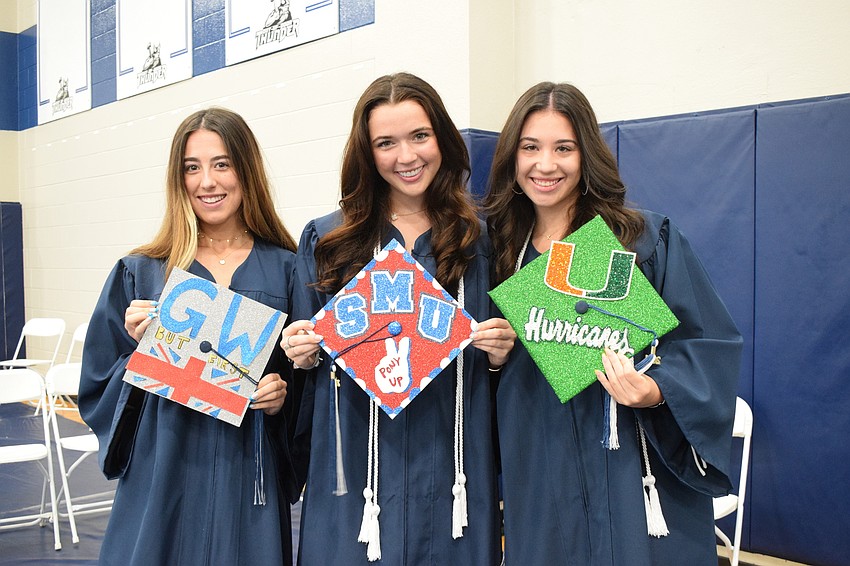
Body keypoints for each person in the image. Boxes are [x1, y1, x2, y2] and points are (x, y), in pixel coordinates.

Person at [485, 82, 743, 565]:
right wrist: (496, 358)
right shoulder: (497, 253)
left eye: (564, 148)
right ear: (511, 158)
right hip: (540, 466)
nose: (546, 165)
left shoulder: (640, 241)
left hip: (631, 459)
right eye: (530, 148)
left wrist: (655, 389)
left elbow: (706, 340)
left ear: (587, 156)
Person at [281, 72, 516, 565]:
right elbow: (298, 371)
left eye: (419, 137)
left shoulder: (481, 238)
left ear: (442, 139)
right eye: (386, 143)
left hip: (454, 463)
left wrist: (499, 357)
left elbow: (511, 371)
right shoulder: (329, 241)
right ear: (367, 153)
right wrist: (299, 355)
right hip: (356, 464)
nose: (406, 157)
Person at [78, 107, 301, 565]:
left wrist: (283, 395)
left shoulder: (288, 268)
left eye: (222, 164)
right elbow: (98, 381)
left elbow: (307, 375)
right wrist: (141, 354)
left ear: (247, 170)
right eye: (192, 168)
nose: (207, 182)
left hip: (248, 469)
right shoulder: (142, 271)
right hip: (163, 469)